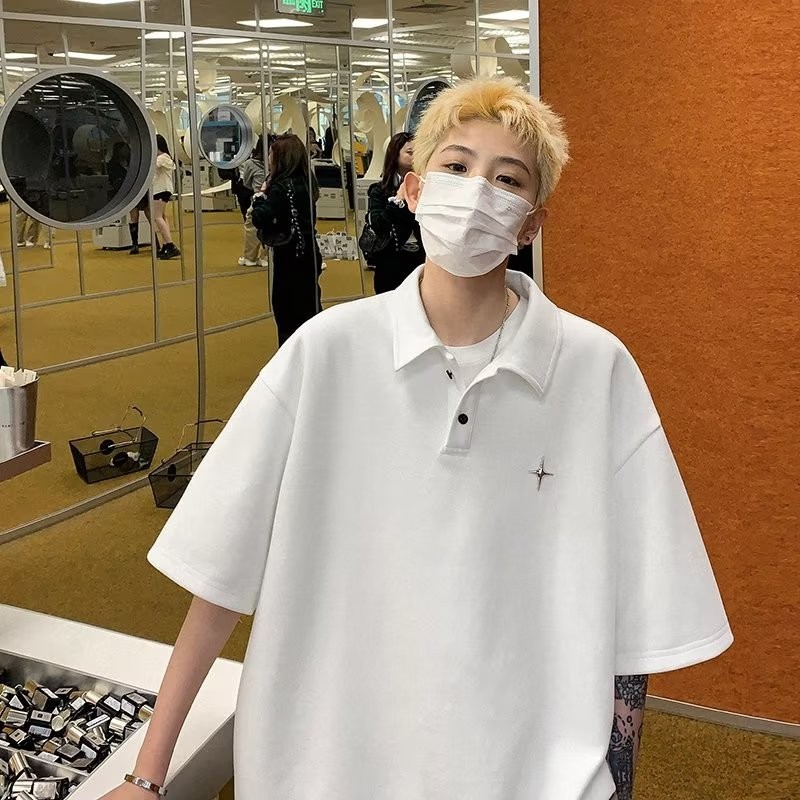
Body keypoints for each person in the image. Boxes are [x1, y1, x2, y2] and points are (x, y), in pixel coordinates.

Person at [101, 77, 732, 800]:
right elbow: (221, 575)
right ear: (413, 188)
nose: (478, 192)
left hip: (524, 767)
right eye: (457, 166)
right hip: (326, 764)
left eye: (508, 179)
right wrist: (147, 776)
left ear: (531, 224)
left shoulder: (596, 369)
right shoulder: (326, 353)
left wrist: (617, 780)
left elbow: (635, 620)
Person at [250, 133, 322, 346]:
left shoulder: (281, 187)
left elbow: (260, 218)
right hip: (309, 253)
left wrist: (259, 197)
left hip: (289, 257)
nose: (269, 158)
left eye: (271, 154)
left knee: (287, 314)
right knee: (310, 310)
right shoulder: (308, 183)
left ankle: (291, 359)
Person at [364, 131, 425, 293]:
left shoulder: (425, 186)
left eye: (418, 153)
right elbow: (379, 225)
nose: (415, 157)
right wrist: (398, 199)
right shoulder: (380, 190)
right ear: (395, 155)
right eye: (410, 152)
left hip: (421, 259)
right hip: (391, 260)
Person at [130, 135, 180, 259]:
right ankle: (166, 243)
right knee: (162, 217)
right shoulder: (165, 158)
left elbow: (150, 167)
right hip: (162, 190)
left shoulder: (162, 158)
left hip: (160, 190)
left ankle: (170, 245)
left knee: (157, 217)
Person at [237, 135, 268, 268]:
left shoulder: (250, 163)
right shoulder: (278, 162)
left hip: (258, 199)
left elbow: (246, 182)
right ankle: (266, 257)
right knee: (271, 227)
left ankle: (250, 257)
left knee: (251, 228)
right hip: (273, 198)